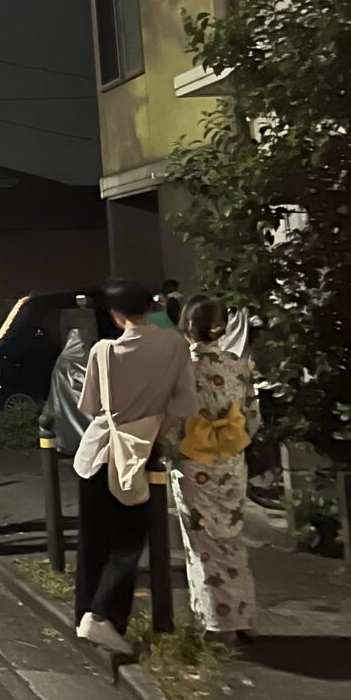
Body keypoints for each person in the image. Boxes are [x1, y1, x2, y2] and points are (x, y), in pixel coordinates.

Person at [73, 277, 197, 655]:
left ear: (114, 314)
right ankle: (106, 618)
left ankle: (87, 616)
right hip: (141, 453)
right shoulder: (175, 345)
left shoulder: (104, 351)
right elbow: (183, 404)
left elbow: (91, 407)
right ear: (151, 307)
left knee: (94, 541)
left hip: (98, 454)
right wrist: (157, 432)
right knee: (128, 543)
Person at [173, 297, 261, 639]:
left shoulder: (183, 369)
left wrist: (169, 450)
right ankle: (246, 616)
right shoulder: (238, 365)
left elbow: (174, 422)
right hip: (232, 460)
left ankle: (217, 622)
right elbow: (252, 417)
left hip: (196, 460)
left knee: (203, 543)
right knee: (231, 539)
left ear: (190, 326)